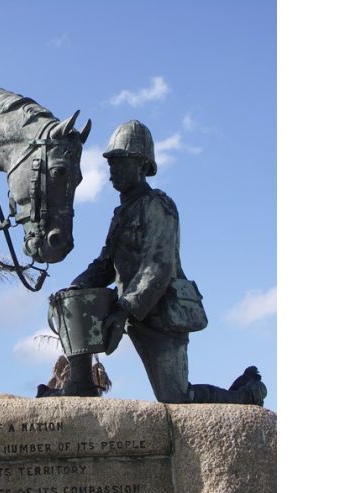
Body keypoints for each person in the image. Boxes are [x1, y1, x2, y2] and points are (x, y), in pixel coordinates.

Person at [37, 120, 266, 405]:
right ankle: (80, 383)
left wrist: (122, 311)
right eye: (111, 164)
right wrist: (76, 287)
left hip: (160, 313)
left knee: (175, 396)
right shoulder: (122, 213)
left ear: (143, 165)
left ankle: (244, 395)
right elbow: (106, 263)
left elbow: (157, 268)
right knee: (72, 299)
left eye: (120, 163)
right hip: (129, 310)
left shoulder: (158, 205)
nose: (112, 173)